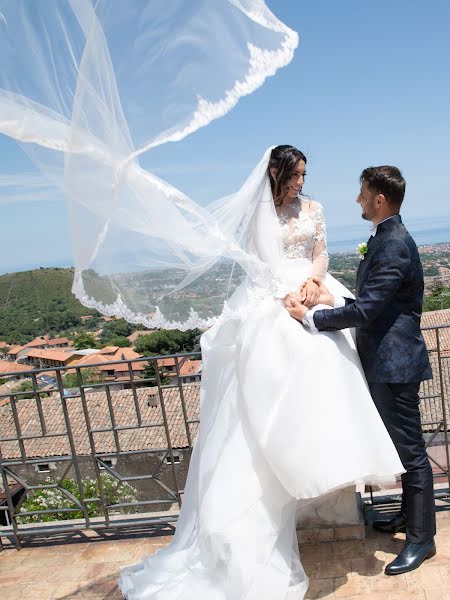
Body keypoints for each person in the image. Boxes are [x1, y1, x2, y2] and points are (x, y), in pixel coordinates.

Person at [118, 146, 404, 599]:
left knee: (332, 373)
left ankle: (325, 470)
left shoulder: (314, 208)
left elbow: (320, 252)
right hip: (272, 300)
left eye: (305, 176)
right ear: (277, 174)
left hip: (311, 294)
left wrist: (313, 282)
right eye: (295, 177)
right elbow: (257, 265)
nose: (301, 185)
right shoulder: (256, 214)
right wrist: (285, 298)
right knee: (270, 387)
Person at [287, 165, 436, 576]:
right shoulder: (385, 238)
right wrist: (331, 298)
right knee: (404, 454)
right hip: (385, 361)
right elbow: (373, 298)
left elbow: (368, 310)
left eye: (362, 193)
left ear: (379, 200)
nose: (357, 200)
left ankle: (422, 540)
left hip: (394, 364)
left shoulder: (393, 244)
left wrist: (311, 319)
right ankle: (409, 518)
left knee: (412, 455)